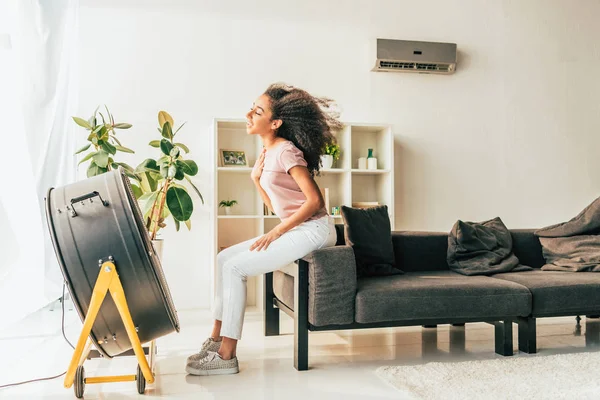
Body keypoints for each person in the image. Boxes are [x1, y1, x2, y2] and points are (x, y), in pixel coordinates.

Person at [185, 83, 342, 376]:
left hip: (315, 230)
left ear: (275, 123)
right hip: (298, 228)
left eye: (257, 111)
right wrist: (256, 180)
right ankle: (216, 338)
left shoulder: (285, 151)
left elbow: (314, 201)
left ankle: (226, 354)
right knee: (223, 260)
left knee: (236, 269)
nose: (248, 114)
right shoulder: (268, 152)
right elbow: (277, 207)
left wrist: (277, 232)